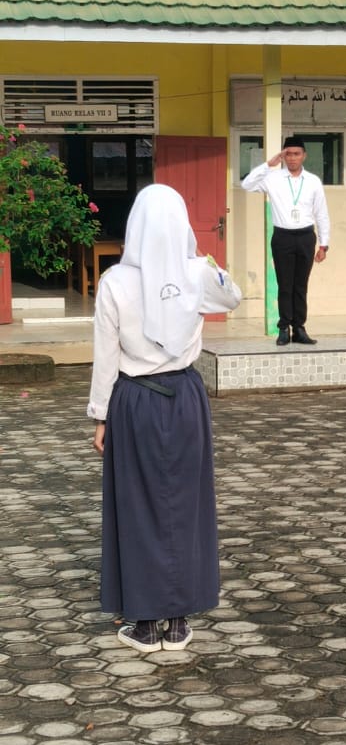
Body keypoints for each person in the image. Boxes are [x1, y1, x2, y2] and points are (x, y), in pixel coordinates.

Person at [87, 183, 242, 653]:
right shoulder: (197, 274)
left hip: (133, 399)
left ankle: (147, 622)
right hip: (185, 397)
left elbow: (105, 356)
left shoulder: (116, 281)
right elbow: (231, 297)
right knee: (185, 505)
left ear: (135, 225)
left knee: (139, 505)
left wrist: (100, 416)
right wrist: (205, 263)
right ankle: (178, 621)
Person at [241, 135, 330, 345]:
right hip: (283, 237)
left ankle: (299, 328)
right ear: (283, 155)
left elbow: (322, 214)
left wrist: (324, 244)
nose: (292, 158)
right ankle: (283, 328)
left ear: (304, 156)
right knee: (285, 285)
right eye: (288, 154)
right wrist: (268, 164)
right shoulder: (273, 178)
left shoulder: (313, 181)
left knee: (301, 285)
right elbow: (247, 184)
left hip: (306, 236)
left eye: (296, 154)